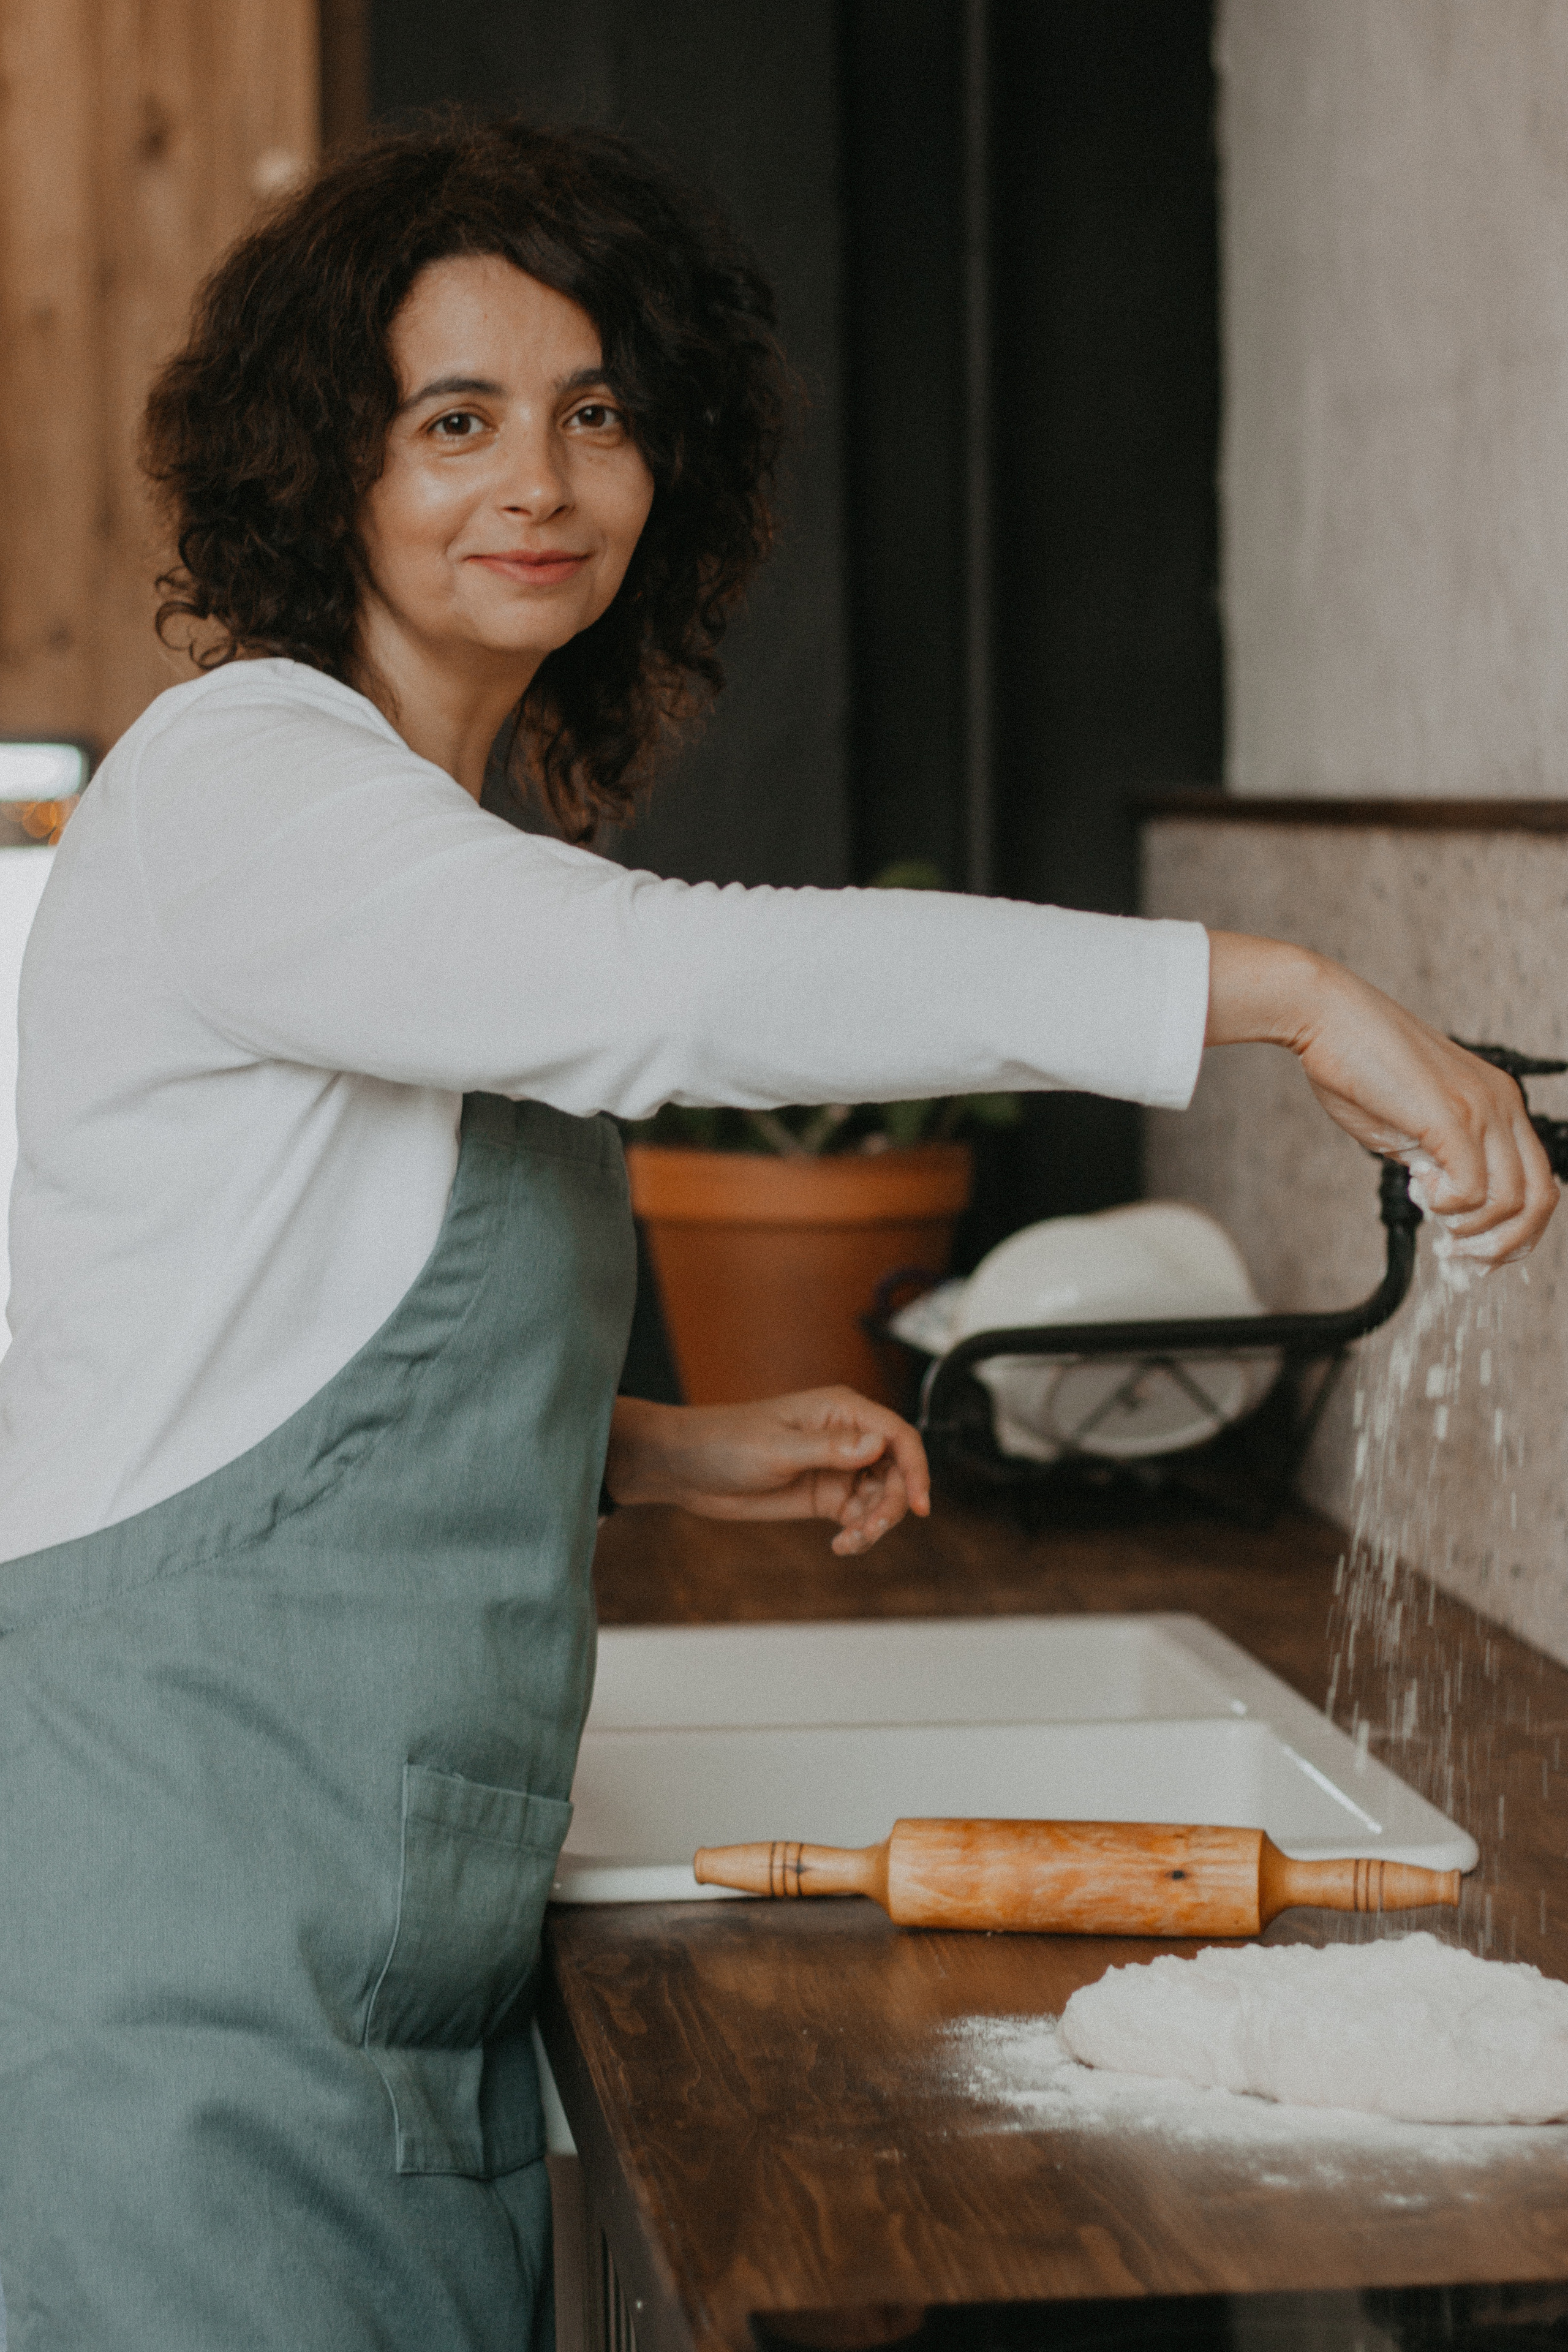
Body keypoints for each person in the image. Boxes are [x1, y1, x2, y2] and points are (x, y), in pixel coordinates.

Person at [0, 117, 1553, 2352]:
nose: (541, 481)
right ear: (321, 465)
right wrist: (1291, 996)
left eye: (596, 412)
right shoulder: (246, 780)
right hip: (184, 1952)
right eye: (456, 421)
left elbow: (241, 1331)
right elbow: (672, 987)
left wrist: (650, 1450)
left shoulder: (434, 837)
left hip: (358, 1953)